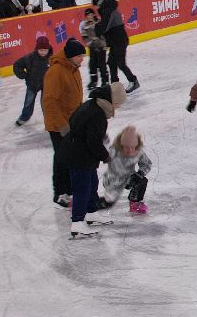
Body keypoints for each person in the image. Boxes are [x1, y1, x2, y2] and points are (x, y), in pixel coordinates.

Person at [61, 84, 126, 237]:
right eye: (118, 103)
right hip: (77, 155)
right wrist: (106, 157)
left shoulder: (95, 105)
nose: (118, 107)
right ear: (111, 100)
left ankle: (91, 212)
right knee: (81, 188)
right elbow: (93, 142)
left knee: (91, 184)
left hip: (83, 154)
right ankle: (77, 222)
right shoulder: (96, 113)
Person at [43, 40, 87, 206]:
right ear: (70, 56)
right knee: (62, 157)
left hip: (72, 122)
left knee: (70, 157)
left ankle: (69, 189)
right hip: (58, 125)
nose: (82, 59)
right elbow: (49, 101)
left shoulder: (73, 68)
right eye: (79, 56)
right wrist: (62, 125)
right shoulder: (56, 72)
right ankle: (60, 192)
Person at [102, 125, 153, 215]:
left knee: (142, 181)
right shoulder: (114, 151)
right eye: (126, 147)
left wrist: (140, 173)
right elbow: (104, 147)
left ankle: (135, 202)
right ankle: (86, 205)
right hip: (113, 179)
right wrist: (102, 136)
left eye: (132, 148)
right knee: (108, 202)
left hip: (129, 178)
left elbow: (147, 164)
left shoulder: (139, 152)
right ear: (121, 145)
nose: (129, 151)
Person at [97, 0, 139, 92]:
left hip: (119, 41)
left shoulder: (109, 11)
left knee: (121, 63)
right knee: (111, 63)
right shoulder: (109, 10)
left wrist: (97, 27)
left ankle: (133, 80)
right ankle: (115, 84)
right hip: (115, 41)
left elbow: (105, 27)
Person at [12, 36, 53, 126]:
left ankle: (49, 118)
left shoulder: (52, 58)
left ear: (48, 49)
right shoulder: (30, 57)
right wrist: (23, 75)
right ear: (37, 49)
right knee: (28, 102)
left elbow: (58, 69)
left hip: (47, 85)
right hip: (32, 84)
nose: (43, 52)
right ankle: (25, 117)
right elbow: (17, 65)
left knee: (46, 103)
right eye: (41, 50)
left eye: (45, 50)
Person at [80, 6, 110, 90]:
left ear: (93, 15)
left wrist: (103, 45)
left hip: (100, 47)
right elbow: (84, 37)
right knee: (92, 64)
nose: (89, 16)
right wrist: (90, 43)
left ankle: (105, 81)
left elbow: (103, 35)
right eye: (88, 15)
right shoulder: (85, 25)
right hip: (92, 47)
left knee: (102, 64)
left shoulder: (99, 22)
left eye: (91, 14)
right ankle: (93, 81)